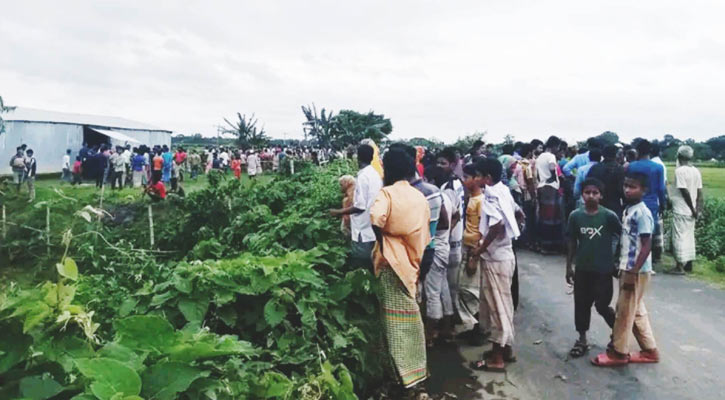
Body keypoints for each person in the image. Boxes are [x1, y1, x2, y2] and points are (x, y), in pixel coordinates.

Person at [369, 148, 431, 394]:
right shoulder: (419, 196)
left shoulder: (387, 193)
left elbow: (375, 218)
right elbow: (426, 233)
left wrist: (384, 242)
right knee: (411, 317)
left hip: (390, 263)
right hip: (412, 261)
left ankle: (402, 378)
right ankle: (416, 371)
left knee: (394, 322)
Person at [593, 172, 659, 367]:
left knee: (624, 312)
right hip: (628, 267)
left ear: (644, 190)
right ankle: (650, 350)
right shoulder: (629, 210)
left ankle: (619, 353)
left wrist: (632, 272)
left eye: (634, 187)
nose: (628, 190)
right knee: (636, 311)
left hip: (635, 270)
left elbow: (646, 245)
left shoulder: (642, 213)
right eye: (626, 186)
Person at [469, 158, 523, 372]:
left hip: (495, 258)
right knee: (504, 303)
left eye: (478, 175)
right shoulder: (504, 190)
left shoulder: (491, 194)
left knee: (496, 307)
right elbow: (518, 213)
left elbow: (497, 224)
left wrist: (480, 249)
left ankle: (497, 358)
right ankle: (505, 349)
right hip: (506, 255)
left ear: (487, 178)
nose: (476, 179)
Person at [565, 178, 621, 358]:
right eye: (587, 192)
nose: (591, 196)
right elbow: (572, 241)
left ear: (601, 195)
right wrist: (569, 266)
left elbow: (621, 236)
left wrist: (616, 260)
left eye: (595, 193)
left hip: (603, 269)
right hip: (583, 268)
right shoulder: (575, 216)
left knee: (602, 305)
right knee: (581, 304)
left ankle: (618, 334)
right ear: (582, 194)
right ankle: (582, 339)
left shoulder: (608, 216)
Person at [329, 144, 383, 269]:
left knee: (361, 265)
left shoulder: (363, 177)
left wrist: (338, 212)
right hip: (373, 226)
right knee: (372, 262)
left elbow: (360, 206)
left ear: (358, 157)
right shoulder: (375, 174)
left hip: (363, 229)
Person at [423, 166, 455, 347]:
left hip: (436, 247)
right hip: (444, 246)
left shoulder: (437, 198)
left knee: (432, 293)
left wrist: (430, 231)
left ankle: (430, 334)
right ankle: (448, 328)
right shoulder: (448, 196)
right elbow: (455, 217)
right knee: (443, 288)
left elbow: (444, 221)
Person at [435, 148, 465, 322]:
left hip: (451, 240)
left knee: (449, 286)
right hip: (455, 239)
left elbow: (450, 217)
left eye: (443, 163)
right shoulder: (457, 183)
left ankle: (451, 322)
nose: (439, 166)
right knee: (451, 285)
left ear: (453, 164)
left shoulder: (448, 187)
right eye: (438, 162)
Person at [626, 140, 666, 264]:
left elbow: (628, 183)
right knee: (649, 231)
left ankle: (633, 256)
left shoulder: (632, 166)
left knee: (632, 230)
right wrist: (663, 205)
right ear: (650, 151)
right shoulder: (658, 167)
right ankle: (648, 259)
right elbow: (661, 188)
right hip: (652, 202)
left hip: (634, 200)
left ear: (637, 151)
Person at [666, 145, 703, 275]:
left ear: (679, 156)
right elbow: (699, 192)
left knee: (679, 237)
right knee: (689, 237)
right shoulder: (695, 171)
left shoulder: (680, 171)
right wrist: (698, 209)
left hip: (682, 208)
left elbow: (684, 191)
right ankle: (688, 264)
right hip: (691, 210)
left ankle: (679, 266)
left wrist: (692, 208)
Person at [459, 163, 485, 343]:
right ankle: (476, 327)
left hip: (474, 248)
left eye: (466, 177)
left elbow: (483, 228)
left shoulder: (480, 201)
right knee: (466, 288)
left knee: (472, 290)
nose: (463, 180)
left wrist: (474, 256)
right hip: (468, 246)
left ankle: (480, 329)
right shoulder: (471, 198)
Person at [535, 136, 563, 254]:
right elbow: (552, 167)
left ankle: (542, 244)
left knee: (544, 216)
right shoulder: (551, 156)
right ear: (555, 146)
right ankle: (549, 247)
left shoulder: (540, 157)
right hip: (551, 188)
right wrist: (552, 177)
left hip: (541, 187)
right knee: (552, 217)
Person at [588, 145, 626, 218]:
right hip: (614, 205)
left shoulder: (595, 168)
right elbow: (621, 189)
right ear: (615, 155)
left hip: (597, 203)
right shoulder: (619, 169)